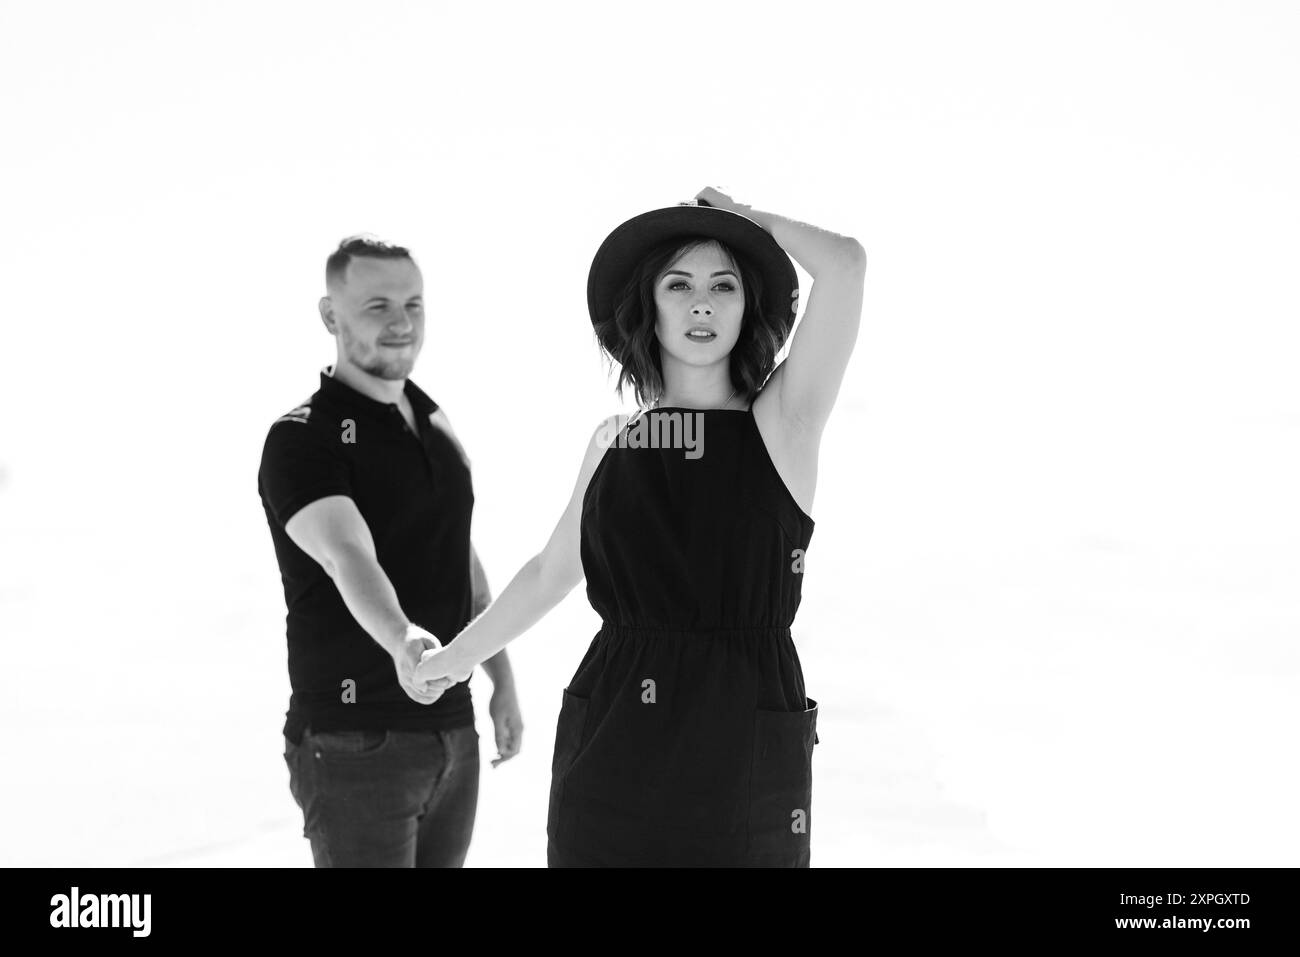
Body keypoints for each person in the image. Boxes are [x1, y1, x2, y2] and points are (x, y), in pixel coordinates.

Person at [416, 188, 866, 866]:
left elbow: (846, 265)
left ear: (749, 309)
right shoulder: (612, 441)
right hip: (613, 736)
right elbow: (548, 573)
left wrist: (748, 220)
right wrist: (454, 659)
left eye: (724, 285)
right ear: (647, 309)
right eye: (678, 285)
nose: (702, 303)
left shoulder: (782, 426)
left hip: (742, 739)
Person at [257, 235, 523, 867]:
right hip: (356, 741)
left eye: (414, 303)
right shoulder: (304, 440)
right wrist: (403, 639)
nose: (401, 322)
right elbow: (348, 556)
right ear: (331, 317)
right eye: (377, 305)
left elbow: (456, 552)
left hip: (453, 730)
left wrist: (501, 677)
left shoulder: (432, 419)